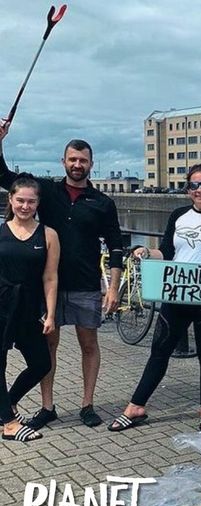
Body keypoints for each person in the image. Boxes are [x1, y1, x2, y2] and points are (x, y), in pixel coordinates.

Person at [0, 120, 123, 428]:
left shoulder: (103, 203)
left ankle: (87, 404)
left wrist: (113, 288)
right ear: (64, 161)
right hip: (48, 286)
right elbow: (5, 176)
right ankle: (47, 406)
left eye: (82, 160)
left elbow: (117, 246)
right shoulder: (48, 191)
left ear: (91, 164)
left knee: (89, 345)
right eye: (72, 159)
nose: (77, 164)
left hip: (84, 284)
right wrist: (1, 140)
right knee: (48, 347)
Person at [110, 164, 201, 432]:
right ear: (187, 190)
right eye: (194, 185)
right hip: (177, 295)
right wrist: (146, 253)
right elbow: (166, 252)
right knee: (159, 350)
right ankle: (136, 405)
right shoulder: (178, 216)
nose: (199, 190)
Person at [0, 177, 59, 442]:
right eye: (20, 200)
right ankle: (9, 424)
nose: (25, 206)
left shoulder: (48, 234)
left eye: (31, 201)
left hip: (28, 306)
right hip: (1, 304)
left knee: (41, 363)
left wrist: (51, 313)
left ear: (38, 203)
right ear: (10, 200)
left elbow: (50, 277)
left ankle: (7, 405)